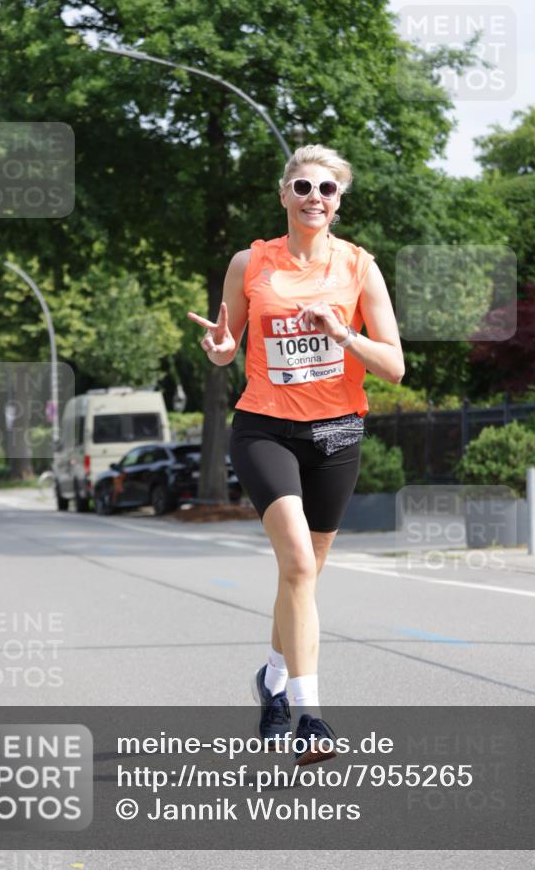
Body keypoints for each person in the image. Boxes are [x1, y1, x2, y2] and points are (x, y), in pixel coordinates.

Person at [187, 144, 404, 765]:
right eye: (303, 186)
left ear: (339, 203)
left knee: (301, 576)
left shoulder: (359, 268)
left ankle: (273, 683)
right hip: (265, 429)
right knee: (299, 569)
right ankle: (310, 715)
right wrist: (224, 349)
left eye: (327, 190)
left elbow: (394, 367)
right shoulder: (249, 264)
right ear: (284, 195)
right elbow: (229, 344)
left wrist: (344, 334)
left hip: (336, 432)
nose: (315, 198)